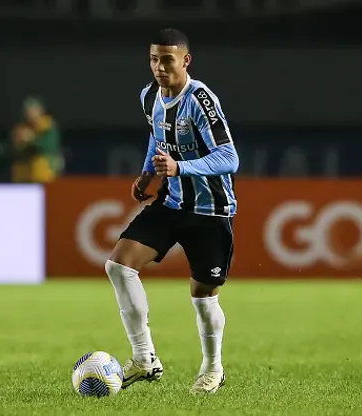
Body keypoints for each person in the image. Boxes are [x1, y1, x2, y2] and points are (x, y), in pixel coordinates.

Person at [105, 28, 239, 395]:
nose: (160, 67)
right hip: (172, 201)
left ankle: (213, 368)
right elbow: (157, 136)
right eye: (154, 59)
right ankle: (144, 357)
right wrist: (148, 172)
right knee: (119, 264)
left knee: (203, 296)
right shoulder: (149, 96)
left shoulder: (201, 101)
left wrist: (181, 168)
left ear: (185, 60)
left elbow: (230, 157)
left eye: (167, 59)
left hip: (210, 209)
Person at [9, 97, 63, 183]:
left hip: (46, 164)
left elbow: (49, 146)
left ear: (40, 110)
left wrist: (32, 139)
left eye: (33, 109)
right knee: (18, 167)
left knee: (41, 164)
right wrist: (18, 140)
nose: (30, 113)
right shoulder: (22, 127)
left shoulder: (49, 125)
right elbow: (15, 149)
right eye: (28, 110)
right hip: (27, 166)